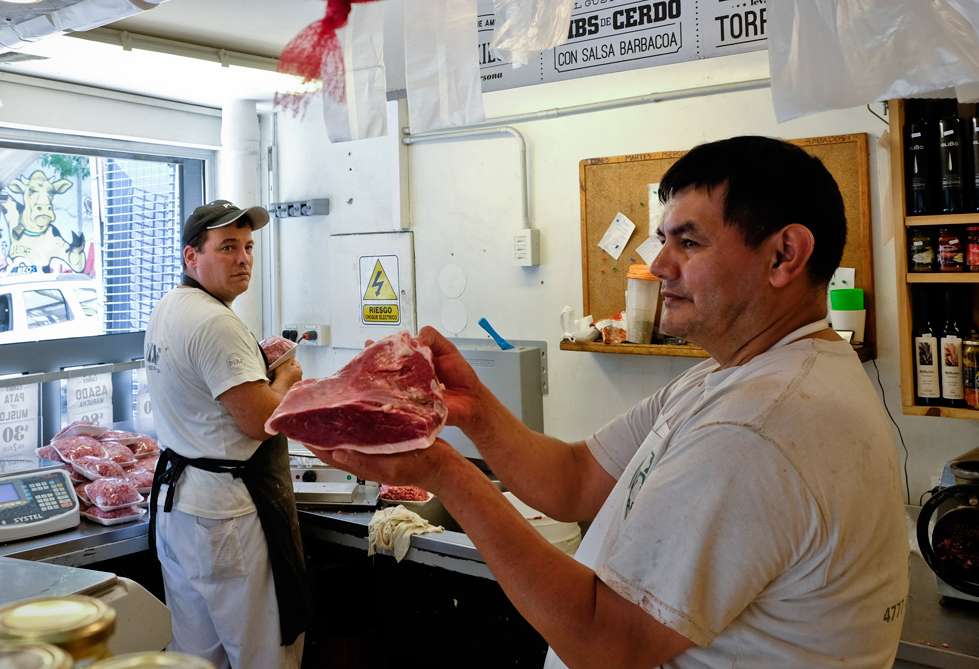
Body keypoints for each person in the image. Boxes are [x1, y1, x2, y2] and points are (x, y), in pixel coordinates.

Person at [313, 136, 909, 668]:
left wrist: (441, 469)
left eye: (689, 242)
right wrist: (476, 409)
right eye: (662, 238)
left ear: (784, 255)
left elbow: (608, 643)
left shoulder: (758, 424)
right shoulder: (728, 377)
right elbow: (573, 481)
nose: (658, 266)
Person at [144, 199, 311, 669]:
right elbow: (259, 422)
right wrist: (287, 379)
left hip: (181, 506)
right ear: (190, 256)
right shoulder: (217, 322)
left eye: (249, 246)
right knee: (263, 655)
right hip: (225, 515)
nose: (244, 259)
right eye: (228, 247)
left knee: (198, 656)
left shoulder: (170, 307)